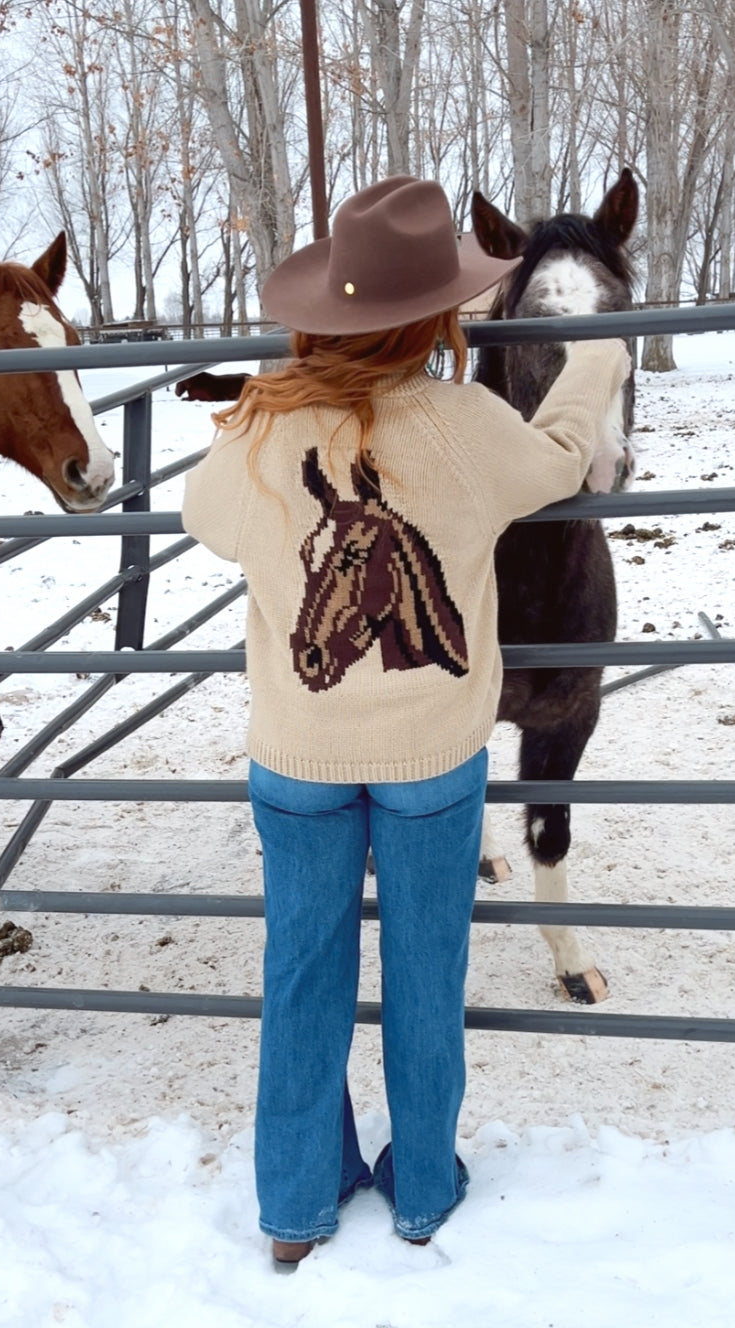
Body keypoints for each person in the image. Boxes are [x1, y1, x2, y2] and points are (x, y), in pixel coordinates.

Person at [182, 175, 630, 1269]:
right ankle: (422, 1186)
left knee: (301, 975)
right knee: (427, 972)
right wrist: (600, 356)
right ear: (440, 318)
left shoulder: (261, 429)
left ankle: (296, 1204)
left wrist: (274, 410)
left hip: (298, 758)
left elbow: (203, 518)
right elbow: (562, 457)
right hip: (433, 758)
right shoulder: (469, 424)